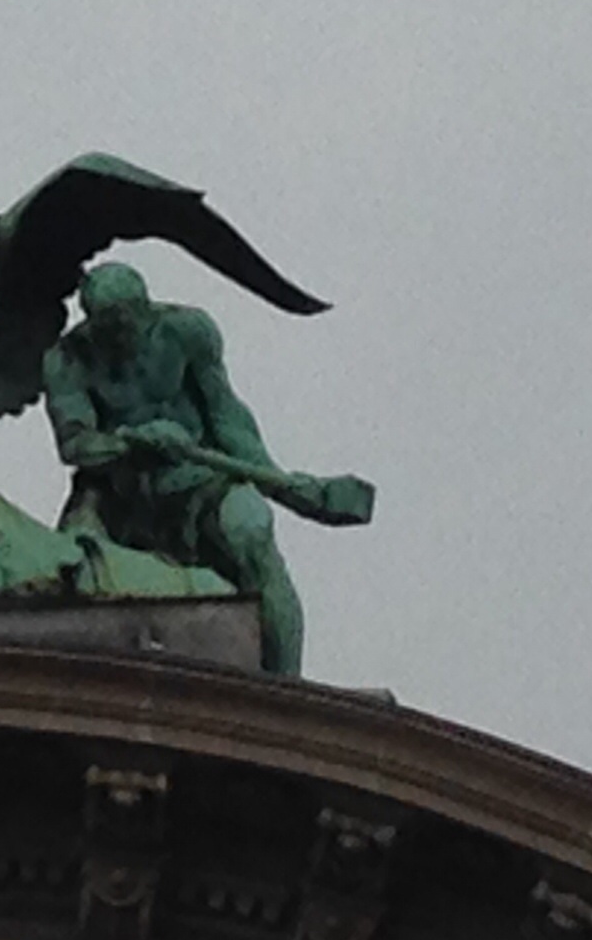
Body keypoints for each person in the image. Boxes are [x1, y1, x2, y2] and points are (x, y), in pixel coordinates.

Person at [43, 264, 372, 675]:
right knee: (65, 574)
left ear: (145, 309)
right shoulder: (66, 361)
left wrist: (277, 482)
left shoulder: (187, 331)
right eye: (107, 327)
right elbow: (75, 445)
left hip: (199, 479)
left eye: (126, 322)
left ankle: (287, 684)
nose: (119, 336)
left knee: (251, 530)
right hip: (117, 495)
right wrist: (130, 441)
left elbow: (226, 415)